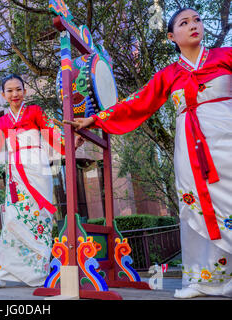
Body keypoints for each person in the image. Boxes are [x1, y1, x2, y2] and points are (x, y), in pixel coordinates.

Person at [69, 8, 231, 298]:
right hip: (190, 148)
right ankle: (204, 279)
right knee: (193, 206)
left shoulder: (226, 56)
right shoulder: (170, 74)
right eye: (184, 22)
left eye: (197, 20)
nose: (193, 25)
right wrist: (96, 118)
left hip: (227, 138)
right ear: (172, 36)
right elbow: (138, 101)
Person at [0, 74, 84, 290]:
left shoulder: (35, 111)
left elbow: (52, 134)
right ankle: (3, 274)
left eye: (18, 89)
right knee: (11, 221)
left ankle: (42, 273)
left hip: (37, 169)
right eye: (10, 91)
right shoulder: (3, 121)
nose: (15, 94)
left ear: (25, 91)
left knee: (39, 219)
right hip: (16, 173)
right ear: (3, 95)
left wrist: (70, 143)